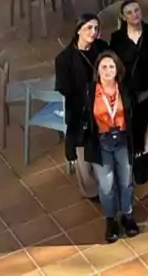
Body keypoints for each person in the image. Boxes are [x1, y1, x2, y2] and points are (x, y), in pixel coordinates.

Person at [84, 51, 140, 243]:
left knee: (126, 181)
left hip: (123, 139)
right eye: (104, 67)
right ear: (97, 70)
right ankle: (111, 220)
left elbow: (135, 115)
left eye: (111, 67)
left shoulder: (125, 88)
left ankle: (127, 215)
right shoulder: (90, 90)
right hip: (101, 142)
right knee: (107, 186)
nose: (108, 70)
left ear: (118, 70)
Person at [108, 0, 148, 184]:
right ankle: (139, 167)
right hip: (130, 94)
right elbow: (117, 68)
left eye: (137, 10)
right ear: (124, 17)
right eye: (129, 12)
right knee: (135, 131)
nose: (134, 15)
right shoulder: (116, 38)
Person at [56, 14, 109, 197]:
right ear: (78, 30)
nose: (93, 32)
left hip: (103, 107)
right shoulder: (64, 58)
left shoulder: (102, 48)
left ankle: (107, 185)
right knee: (83, 155)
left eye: (96, 28)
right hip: (81, 112)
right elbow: (64, 87)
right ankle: (90, 191)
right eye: (88, 28)